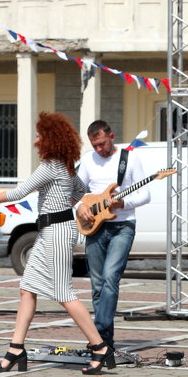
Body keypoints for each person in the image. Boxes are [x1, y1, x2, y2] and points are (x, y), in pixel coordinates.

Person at [0, 112, 114, 377]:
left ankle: (100, 346)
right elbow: (81, 192)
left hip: (57, 232)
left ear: (49, 138)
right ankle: (15, 349)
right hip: (48, 231)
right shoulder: (65, 166)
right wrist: (74, 207)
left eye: (38, 134)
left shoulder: (52, 166)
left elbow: (18, 193)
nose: (35, 139)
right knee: (27, 288)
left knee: (63, 293)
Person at [76, 120, 151, 349]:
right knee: (97, 285)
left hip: (122, 226)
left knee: (110, 278)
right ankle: (104, 342)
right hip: (95, 227)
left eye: (102, 144)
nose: (99, 149)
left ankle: (98, 331)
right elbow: (77, 191)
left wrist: (122, 203)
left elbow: (145, 194)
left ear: (111, 135)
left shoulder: (129, 158)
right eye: (95, 145)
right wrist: (80, 207)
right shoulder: (88, 159)